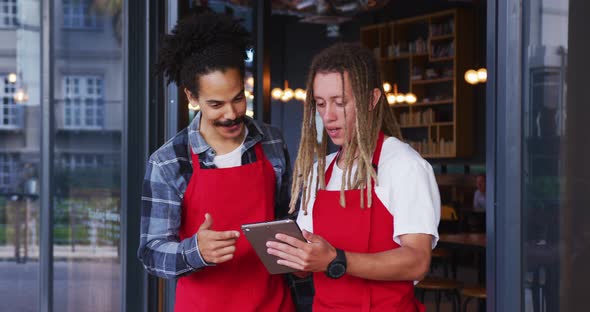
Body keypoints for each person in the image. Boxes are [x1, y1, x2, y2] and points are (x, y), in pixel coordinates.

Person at [137, 11, 294, 312]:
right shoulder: (169, 162)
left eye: (238, 98)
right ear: (191, 97)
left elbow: (288, 218)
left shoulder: (272, 142)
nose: (231, 114)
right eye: (216, 104)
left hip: (273, 304)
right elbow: (151, 253)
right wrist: (195, 250)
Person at [266, 43, 440, 311]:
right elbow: (305, 264)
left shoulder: (403, 165)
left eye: (340, 102)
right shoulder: (318, 171)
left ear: (372, 99)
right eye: (321, 104)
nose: (328, 116)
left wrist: (336, 260)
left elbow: (418, 261)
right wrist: (293, 257)